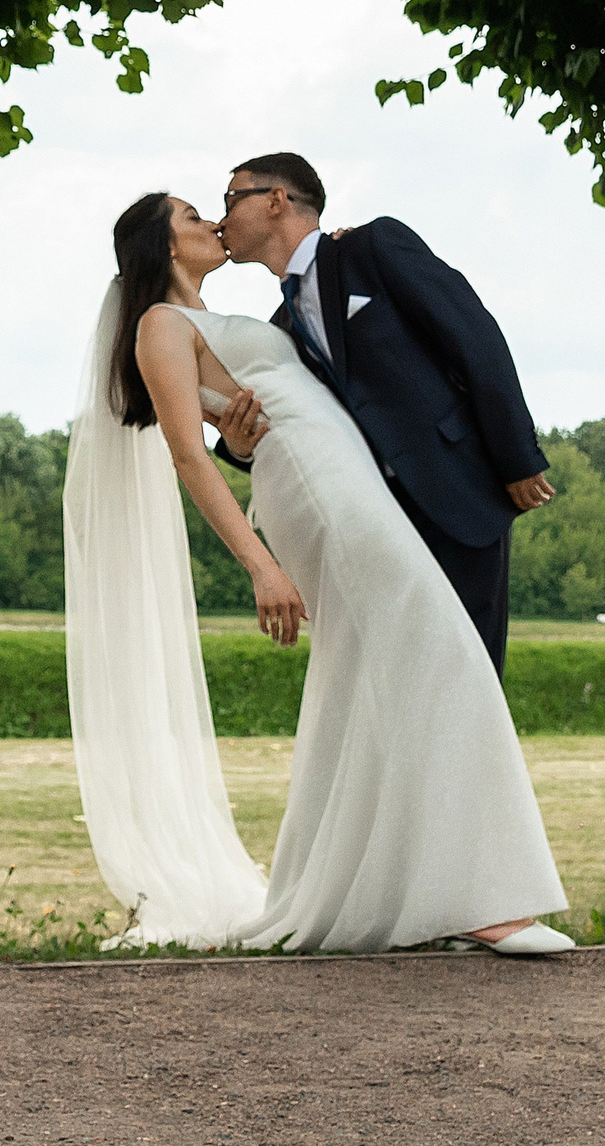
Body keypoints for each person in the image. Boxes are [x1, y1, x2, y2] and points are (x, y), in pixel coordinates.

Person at [62, 191, 572, 955]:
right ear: (164, 247)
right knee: (447, 657)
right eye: (194, 216)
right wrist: (262, 566)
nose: (211, 223)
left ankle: (402, 897)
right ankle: (482, 900)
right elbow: (190, 455)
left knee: (379, 684)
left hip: (348, 478)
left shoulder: (250, 321)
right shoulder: (159, 326)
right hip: (319, 492)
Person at [208, 153, 552, 677]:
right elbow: (293, 432)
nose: (221, 220)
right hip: (373, 524)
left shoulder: (372, 247)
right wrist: (237, 446)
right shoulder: (278, 331)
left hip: (455, 494)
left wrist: (516, 459)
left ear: (277, 200)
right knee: (402, 678)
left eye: (231, 201)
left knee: (472, 674)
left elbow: (473, 337)